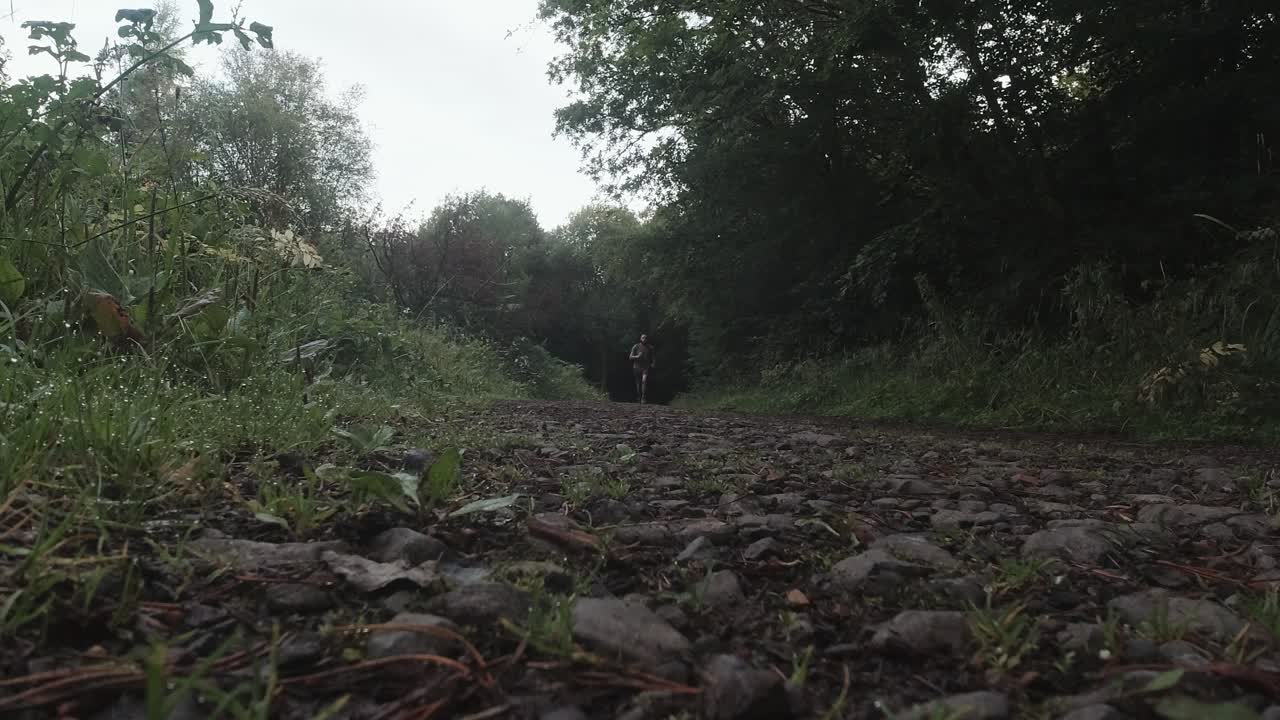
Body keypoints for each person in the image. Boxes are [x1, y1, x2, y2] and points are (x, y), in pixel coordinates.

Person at [629, 333, 655, 403]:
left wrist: (653, 363)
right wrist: (637, 356)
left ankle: (643, 397)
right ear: (640, 339)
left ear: (647, 339)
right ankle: (639, 396)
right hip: (636, 367)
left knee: (644, 381)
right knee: (638, 383)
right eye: (643, 338)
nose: (644, 339)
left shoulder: (650, 347)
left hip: (645, 367)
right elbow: (630, 357)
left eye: (645, 338)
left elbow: (653, 357)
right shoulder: (636, 346)